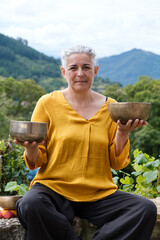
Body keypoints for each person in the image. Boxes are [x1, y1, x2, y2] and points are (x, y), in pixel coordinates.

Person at [15, 45, 157, 240]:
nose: (80, 73)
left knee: (144, 209)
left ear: (95, 71)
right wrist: (31, 149)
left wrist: (123, 132)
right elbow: (36, 161)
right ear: (64, 72)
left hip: (98, 193)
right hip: (54, 188)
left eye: (86, 67)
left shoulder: (111, 107)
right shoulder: (47, 103)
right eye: (73, 68)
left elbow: (117, 163)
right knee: (30, 204)